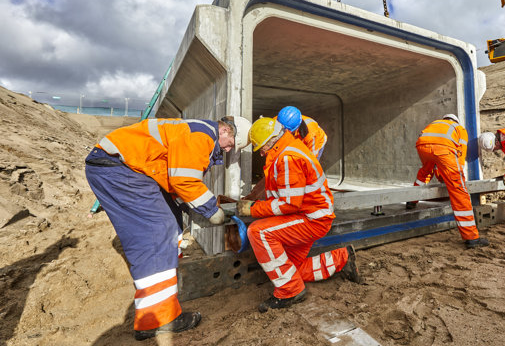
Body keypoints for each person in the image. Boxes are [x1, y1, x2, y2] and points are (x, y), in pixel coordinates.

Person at [85, 116, 251, 341]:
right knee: (157, 234)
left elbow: (171, 175)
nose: (229, 149)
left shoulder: (197, 132)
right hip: (121, 170)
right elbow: (184, 180)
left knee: (168, 224)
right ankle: (158, 320)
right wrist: (213, 211)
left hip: (125, 169)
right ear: (224, 130)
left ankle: (157, 305)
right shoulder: (202, 136)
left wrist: (186, 206)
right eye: (232, 143)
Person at [234, 117, 360, 313]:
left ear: (270, 141)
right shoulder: (288, 150)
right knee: (290, 269)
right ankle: (342, 259)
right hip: (311, 215)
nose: (261, 153)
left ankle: (289, 291)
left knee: (258, 232)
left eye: (261, 148)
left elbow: (289, 204)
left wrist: (252, 209)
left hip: (311, 219)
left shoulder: (287, 158)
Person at [410, 114, 489, 248]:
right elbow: (460, 153)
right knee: (459, 192)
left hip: (422, 146)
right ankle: (471, 238)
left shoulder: (435, 122)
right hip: (442, 149)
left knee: (426, 171)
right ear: (455, 121)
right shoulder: (459, 128)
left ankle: (411, 201)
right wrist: (457, 178)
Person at [243, 106, 328, 202]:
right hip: (294, 138)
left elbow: (309, 162)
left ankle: (299, 194)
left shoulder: (312, 135)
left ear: (295, 129)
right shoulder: (275, 123)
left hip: (314, 143)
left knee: (304, 171)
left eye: (286, 132)